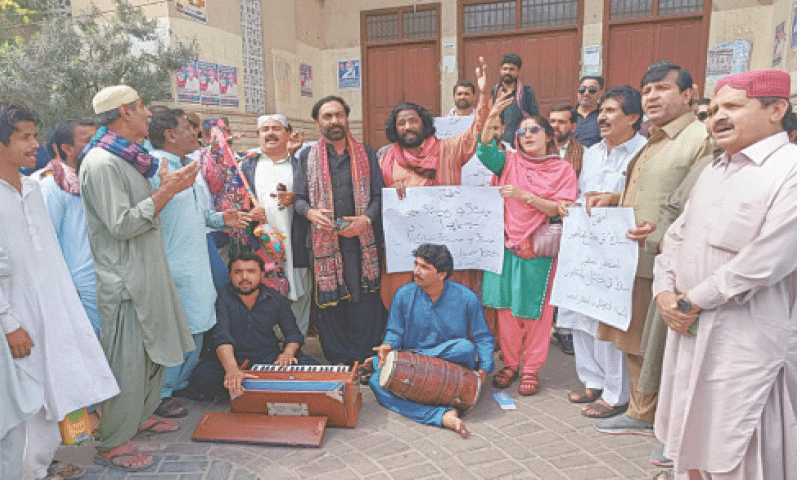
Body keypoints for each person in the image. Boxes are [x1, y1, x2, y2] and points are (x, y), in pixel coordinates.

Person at [653, 69, 796, 480]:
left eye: (732, 106)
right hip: (690, 329)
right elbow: (676, 236)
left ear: (776, 109)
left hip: (746, 342)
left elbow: (770, 258)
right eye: (714, 108)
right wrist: (666, 292)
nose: (718, 117)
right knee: (691, 430)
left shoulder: (789, 169)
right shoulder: (716, 169)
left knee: (744, 445)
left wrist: (692, 300)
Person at [587, 63, 711, 437]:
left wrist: (662, 234)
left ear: (688, 94)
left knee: (663, 346)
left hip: (670, 263)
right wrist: (614, 198)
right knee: (635, 339)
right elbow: (649, 191)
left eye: (662, 88)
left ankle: (666, 422)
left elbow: (697, 203)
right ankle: (642, 412)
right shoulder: (654, 140)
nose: (652, 97)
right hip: (636, 259)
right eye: (646, 90)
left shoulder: (699, 138)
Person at [79, 85, 199, 471]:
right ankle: (112, 440)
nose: (150, 114)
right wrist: (166, 191)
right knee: (127, 363)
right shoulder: (101, 163)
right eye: (142, 107)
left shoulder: (130, 159)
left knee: (152, 358)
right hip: (126, 284)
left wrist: (164, 187)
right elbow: (121, 225)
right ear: (124, 111)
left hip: (149, 275)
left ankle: (140, 417)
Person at [0, 102, 119, 480]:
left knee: (51, 421)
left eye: (35, 134)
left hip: (50, 326)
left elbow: (48, 263)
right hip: (16, 330)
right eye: (25, 136)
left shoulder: (34, 188)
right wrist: (8, 323)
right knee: (22, 425)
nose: (36, 143)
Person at [557, 86, 647, 419]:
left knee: (607, 319)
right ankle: (591, 380)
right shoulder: (593, 153)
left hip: (619, 249)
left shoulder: (644, 151)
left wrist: (614, 199)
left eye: (611, 111)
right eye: (602, 112)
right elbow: (584, 195)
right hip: (585, 247)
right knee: (579, 316)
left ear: (633, 117)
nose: (603, 117)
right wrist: (572, 207)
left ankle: (615, 393)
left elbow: (645, 199)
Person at [477, 99, 578, 395]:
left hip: (539, 249)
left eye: (534, 129)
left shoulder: (562, 169)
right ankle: (510, 364)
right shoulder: (509, 162)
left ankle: (532, 368)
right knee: (506, 310)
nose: (527, 135)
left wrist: (525, 195)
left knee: (536, 312)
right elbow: (483, 150)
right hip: (506, 247)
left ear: (549, 136)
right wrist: (492, 115)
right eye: (521, 132)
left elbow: (560, 209)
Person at [378, 56, 491, 310]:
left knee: (445, 303)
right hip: (405, 249)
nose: (408, 126)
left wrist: (483, 94)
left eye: (413, 120)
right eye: (402, 122)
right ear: (395, 128)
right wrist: (390, 192)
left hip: (445, 244)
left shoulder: (449, 150)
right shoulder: (386, 160)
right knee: (404, 301)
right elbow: (380, 201)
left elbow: (479, 129)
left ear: (424, 124)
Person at [294, 95, 384, 366]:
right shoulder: (307, 156)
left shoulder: (366, 153)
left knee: (361, 301)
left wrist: (364, 221)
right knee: (330, 305)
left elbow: (379, 196)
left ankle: (362, 358)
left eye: (339, 115)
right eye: (327, 116)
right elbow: (298, 199)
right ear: (317, 123)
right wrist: (310, 213)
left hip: (360, 242)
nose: (334, 121)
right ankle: (338, 360)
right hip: (323, 244)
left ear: (347, 118)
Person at [370, 244, 494, 438]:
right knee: (376, 379)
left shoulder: (466, 298)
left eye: (424, 267)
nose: (416, 271)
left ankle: (441, 400)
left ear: (442, 274)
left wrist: (484, 368)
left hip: (451, 360)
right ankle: (441, 414)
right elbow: (394, 331)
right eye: (416, 264)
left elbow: (483, 337)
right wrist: (388, 346)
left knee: (465, 348)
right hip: (415, 362)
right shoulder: (404, 295)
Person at [147, 108, 218, 418]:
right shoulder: (156, 170)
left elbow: (196, 215)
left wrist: (222, 219)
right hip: (175, 268)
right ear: (169, 135)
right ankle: (161, 394)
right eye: (188, 127)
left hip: (195, 266)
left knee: (196, 329)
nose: (194, 133)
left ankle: (175, 387)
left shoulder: (185, 168)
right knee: (179, 334)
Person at [184, 252, 318, 399]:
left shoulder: (274, 298)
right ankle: (258, 388)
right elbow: (222, 337)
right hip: (233, 359)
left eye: (251, 271)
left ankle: (246, 390)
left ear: (262, 275)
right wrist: (232, 370)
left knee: (312, 367)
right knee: (202, 375)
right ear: (230, 275)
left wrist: (287, 354)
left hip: (268, 359)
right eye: (238, 272)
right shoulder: (223, 298)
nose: (244, 277)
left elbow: (293, 334)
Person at [241, 114, 313, 335]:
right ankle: (267, 349)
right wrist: (249, 213)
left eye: (277, 128)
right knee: (261, 294)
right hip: (260, 246)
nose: (270, 133)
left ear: (288, 134)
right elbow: (235, 202)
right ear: (258, 136)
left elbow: (314, 199)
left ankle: (295, 347)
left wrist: (297, 199)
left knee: (299, 293)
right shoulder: (246, 165)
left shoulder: (301, 165)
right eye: (265, 129)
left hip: (295, 243)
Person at [38, 119, 99, 335]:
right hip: (77, 290)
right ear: (66, 148)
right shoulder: (51, 186)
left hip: (100, 285)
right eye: (90, 141)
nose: (98, 145)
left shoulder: (88, 181)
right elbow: (44, 244)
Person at [491, 53, 539, 145]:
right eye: (505, 69)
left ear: (518, 72)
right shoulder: (493, 92)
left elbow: (535, 120)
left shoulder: (527, 93)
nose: (508, 72)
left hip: (519, 144)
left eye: (512, 69)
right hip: (496, 146)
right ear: (500, 70)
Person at [549, 103, 584, 176]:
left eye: (561, 122)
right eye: (552, 121)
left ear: (573, 127)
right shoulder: (537, 149)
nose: (555, 126)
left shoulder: (584, 153)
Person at [574, 75, 604, 148]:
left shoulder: (604, 116)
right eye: (582, 89)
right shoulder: (568, 115)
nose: (586, 93)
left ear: (601, 93)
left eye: (592, 90)